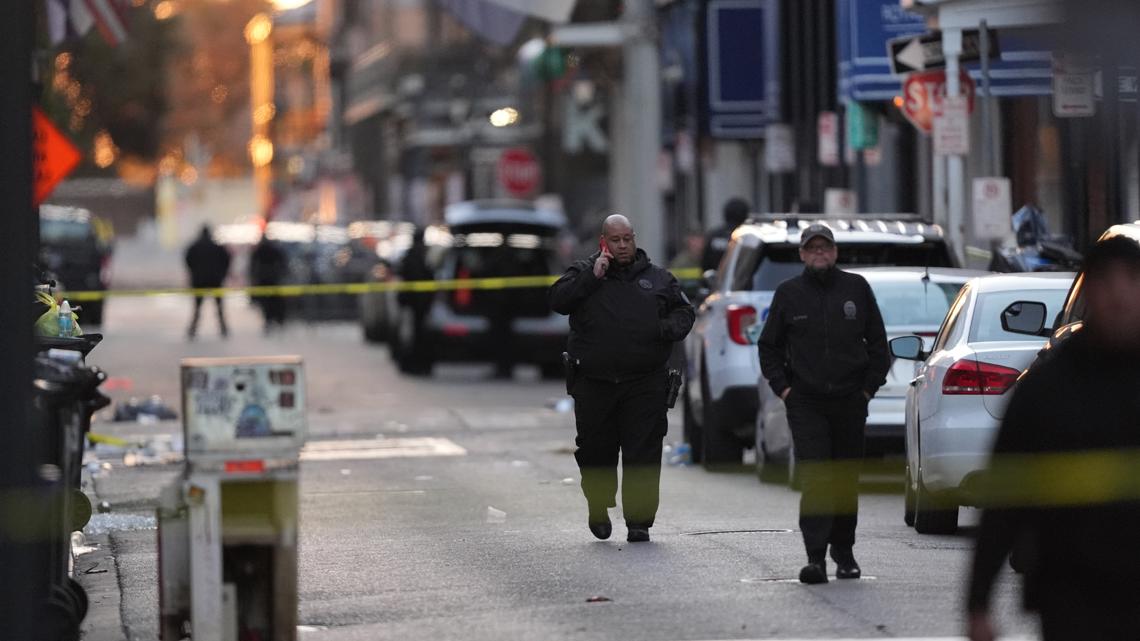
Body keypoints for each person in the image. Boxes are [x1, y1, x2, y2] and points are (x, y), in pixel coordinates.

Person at [966, 235, 1140, 641]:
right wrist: (978, 602)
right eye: (1105, 281)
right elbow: (1004, 499)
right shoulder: (1047, 387)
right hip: (1071, 592)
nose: (1119, 295)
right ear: (1088, 292)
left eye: (1132, 279)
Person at [548, 214, 695, 543]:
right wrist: (591, 277)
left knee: (643, 451)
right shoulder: (585, 273)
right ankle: (598, 506)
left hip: (644, 383)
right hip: (594, 382)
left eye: (628, 238)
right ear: (604, 242)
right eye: (616, 240)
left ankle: (639, 521)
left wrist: (662, 330)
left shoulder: (658, 279)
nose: (623, 245)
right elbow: (557, 300)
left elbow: (685, 312)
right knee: (595, 451)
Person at [757, 223, 889, 584]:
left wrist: (867, 390)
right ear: (801, 254)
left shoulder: (856, 289)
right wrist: (785, 390)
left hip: (850, 400)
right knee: (817, 478)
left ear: (835, 252)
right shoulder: (788, 294)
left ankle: (844, 554)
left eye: (825, 248)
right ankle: (815, 558)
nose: (819, 253)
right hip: (806, 402)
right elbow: (768, 347)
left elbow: (879, 345)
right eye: (812, 248)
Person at [184, 224, 231, 339]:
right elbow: (227, 259)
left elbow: (188, 260)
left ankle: (192, 330)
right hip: (215, 279)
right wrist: (222, 273)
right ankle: (223, 329)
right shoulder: (217, 246)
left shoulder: (195, 246)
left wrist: (193, 272)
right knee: (219, 307)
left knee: (197, 308)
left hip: (199, 280)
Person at [249, 233, 288, 334]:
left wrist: (254, 278)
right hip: (273, 279)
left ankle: (269, 320)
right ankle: (278, 320)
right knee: (275, 301)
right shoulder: (273, 250)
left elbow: (253, 266)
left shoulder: (259, 250)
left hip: (263, 280)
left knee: (266, 303)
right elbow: (283, 262)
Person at [700, 197, 750, 272]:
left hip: (717, 281)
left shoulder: (714, 236)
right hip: (742, 281)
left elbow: (705, 264)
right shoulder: (748, 237)